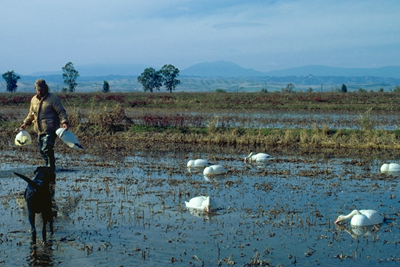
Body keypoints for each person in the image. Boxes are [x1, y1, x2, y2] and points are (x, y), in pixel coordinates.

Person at [20, 79, 69, 171]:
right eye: (38, 90)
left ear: (45, 88)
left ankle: (51, 167)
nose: (39, 91)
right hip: (39, 129)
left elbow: (61, 112)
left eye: (41, 90)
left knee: (47, 148)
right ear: (35, 89)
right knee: (41, 150)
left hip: (50, 128)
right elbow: (31, 114)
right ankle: (48, 165)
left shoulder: (53, 99)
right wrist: (25, 123)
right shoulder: (34, 100)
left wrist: (64, 122)